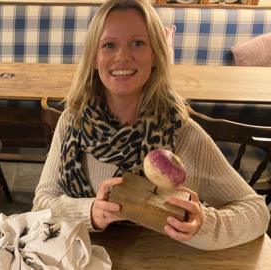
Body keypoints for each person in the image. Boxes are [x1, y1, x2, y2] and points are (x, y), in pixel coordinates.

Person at [32, 0, 270, 250]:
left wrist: (203, 223)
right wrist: (90, 211)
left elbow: (256, 211)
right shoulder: (72, 122)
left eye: (138, 43)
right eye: (109, 45)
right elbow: (43, 203)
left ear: (156, 54)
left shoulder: (181, 133)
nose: (122, 57)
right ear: (94, 58)